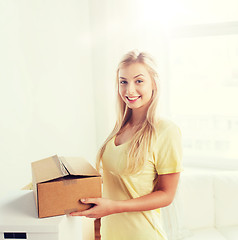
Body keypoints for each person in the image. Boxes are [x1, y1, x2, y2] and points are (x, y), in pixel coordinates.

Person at [70, 50, 183, 240]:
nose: (129, 90)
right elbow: (120, 180)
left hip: (142, 235)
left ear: (153, 83)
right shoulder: (120, 127)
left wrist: (114, 207)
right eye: (123, 82)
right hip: (110, 234)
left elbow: (167, 195)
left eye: (139, 81)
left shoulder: (166, 130)